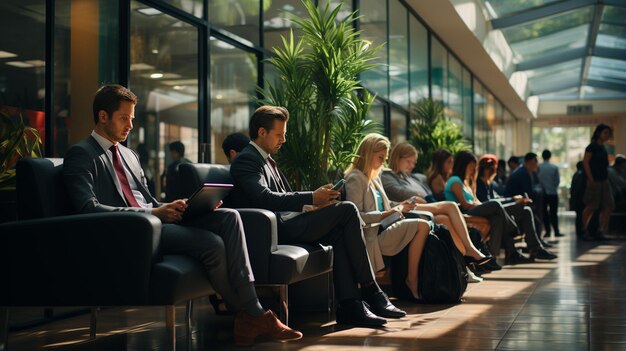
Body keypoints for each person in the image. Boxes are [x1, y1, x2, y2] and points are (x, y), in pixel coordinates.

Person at [63, 85, 301, 347]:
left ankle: (251, 313)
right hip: (134, 230)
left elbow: (149, 201)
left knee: (229, 216)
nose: (130, 125)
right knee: (211, 244)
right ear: (103, 116)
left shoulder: (130, 155)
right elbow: (88, 208)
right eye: (124, 118)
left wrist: (179, 206)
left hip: (155, 219)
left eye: (132, 118)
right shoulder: (81, 154)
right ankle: (253, 313)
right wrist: (153, 213)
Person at [225, 105, 405, 327]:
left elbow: (284, 197)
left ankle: (350, 306)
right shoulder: (247, 160)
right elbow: (264, 198)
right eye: (279, 134)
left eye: (284, 134)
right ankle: (371, 290)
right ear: (262, 132)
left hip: (287, 222)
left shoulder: (266, 159)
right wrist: (311, 197)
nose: (283, 139)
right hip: (273, 229)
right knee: (348, 209)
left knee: (340, 229)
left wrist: (317, 203)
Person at [344, 135, 432, 299]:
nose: (382, 163)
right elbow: (355, 216)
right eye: (380, 158)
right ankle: (411, 279)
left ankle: (411, 278)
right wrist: (392, 212)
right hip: (372, 236)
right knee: (423, 225)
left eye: (384, 158)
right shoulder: (356, 178)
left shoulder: (374, 178)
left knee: (426, 222)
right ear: (368, 154)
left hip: (383, 229)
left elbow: (385, 204)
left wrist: (401, 205)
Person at [380, 142, 495, 267]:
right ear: (398, 158)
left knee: (444, 219)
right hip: (408, 209)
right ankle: (469, 251)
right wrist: (416, 195)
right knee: (451, 206)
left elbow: (425, 193)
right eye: (409, 161)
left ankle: (463, 263)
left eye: (414, 162)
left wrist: (418, 195)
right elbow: (402, 193)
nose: (412, 166)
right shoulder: (387, 175)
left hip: (423, 206)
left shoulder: (411, 177)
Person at [444, 151, 532, 265]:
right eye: (471, 167)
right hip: (462, 211)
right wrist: (481, 206)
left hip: (472, 209)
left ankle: (492, 258)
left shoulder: (467, 182)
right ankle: (512, 228)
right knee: (495, 205)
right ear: (463, 165)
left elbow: (476, 201)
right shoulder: (455, 180)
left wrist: (481, 205)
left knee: (497, 218)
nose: (473, 170)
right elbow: (465, 204)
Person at [476, 155, 557, 260]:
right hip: (491, 211)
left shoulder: (488, 182)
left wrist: (513, 199)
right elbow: (488, 203)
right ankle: (530, 248)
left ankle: (529, 249)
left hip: (497, 210)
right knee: (523, 209)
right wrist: (513, 200)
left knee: (526, 210)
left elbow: (496, 198)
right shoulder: (479, 183)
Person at [581, 124, 615, 240]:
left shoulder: (603, 147)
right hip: (594, 180)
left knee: (608, 206)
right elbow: (585, 162)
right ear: (598, 133)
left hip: (603, 180)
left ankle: (601, 230)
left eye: (608, 133)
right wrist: (590, 179)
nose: (607, 136)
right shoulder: (591, 147)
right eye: (605, 133)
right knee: (591, 206)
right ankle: (584, 230)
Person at [538, 149, 562, 238]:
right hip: (552, 192)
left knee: (544, 213)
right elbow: (557, 181)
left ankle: (547, 231)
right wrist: (553, 187)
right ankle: (556, 231)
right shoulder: (554, 167)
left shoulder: (539, 167)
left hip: (543, 193)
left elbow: (538, 180)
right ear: (550, 156)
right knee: (553, 213)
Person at [570, 161, 586, 238]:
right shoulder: (581, 175)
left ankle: (579, 232)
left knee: (579, 216)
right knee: (581, 215)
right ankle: (581, 232)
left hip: (576, 199)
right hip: (580, 198)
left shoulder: (576, 174)